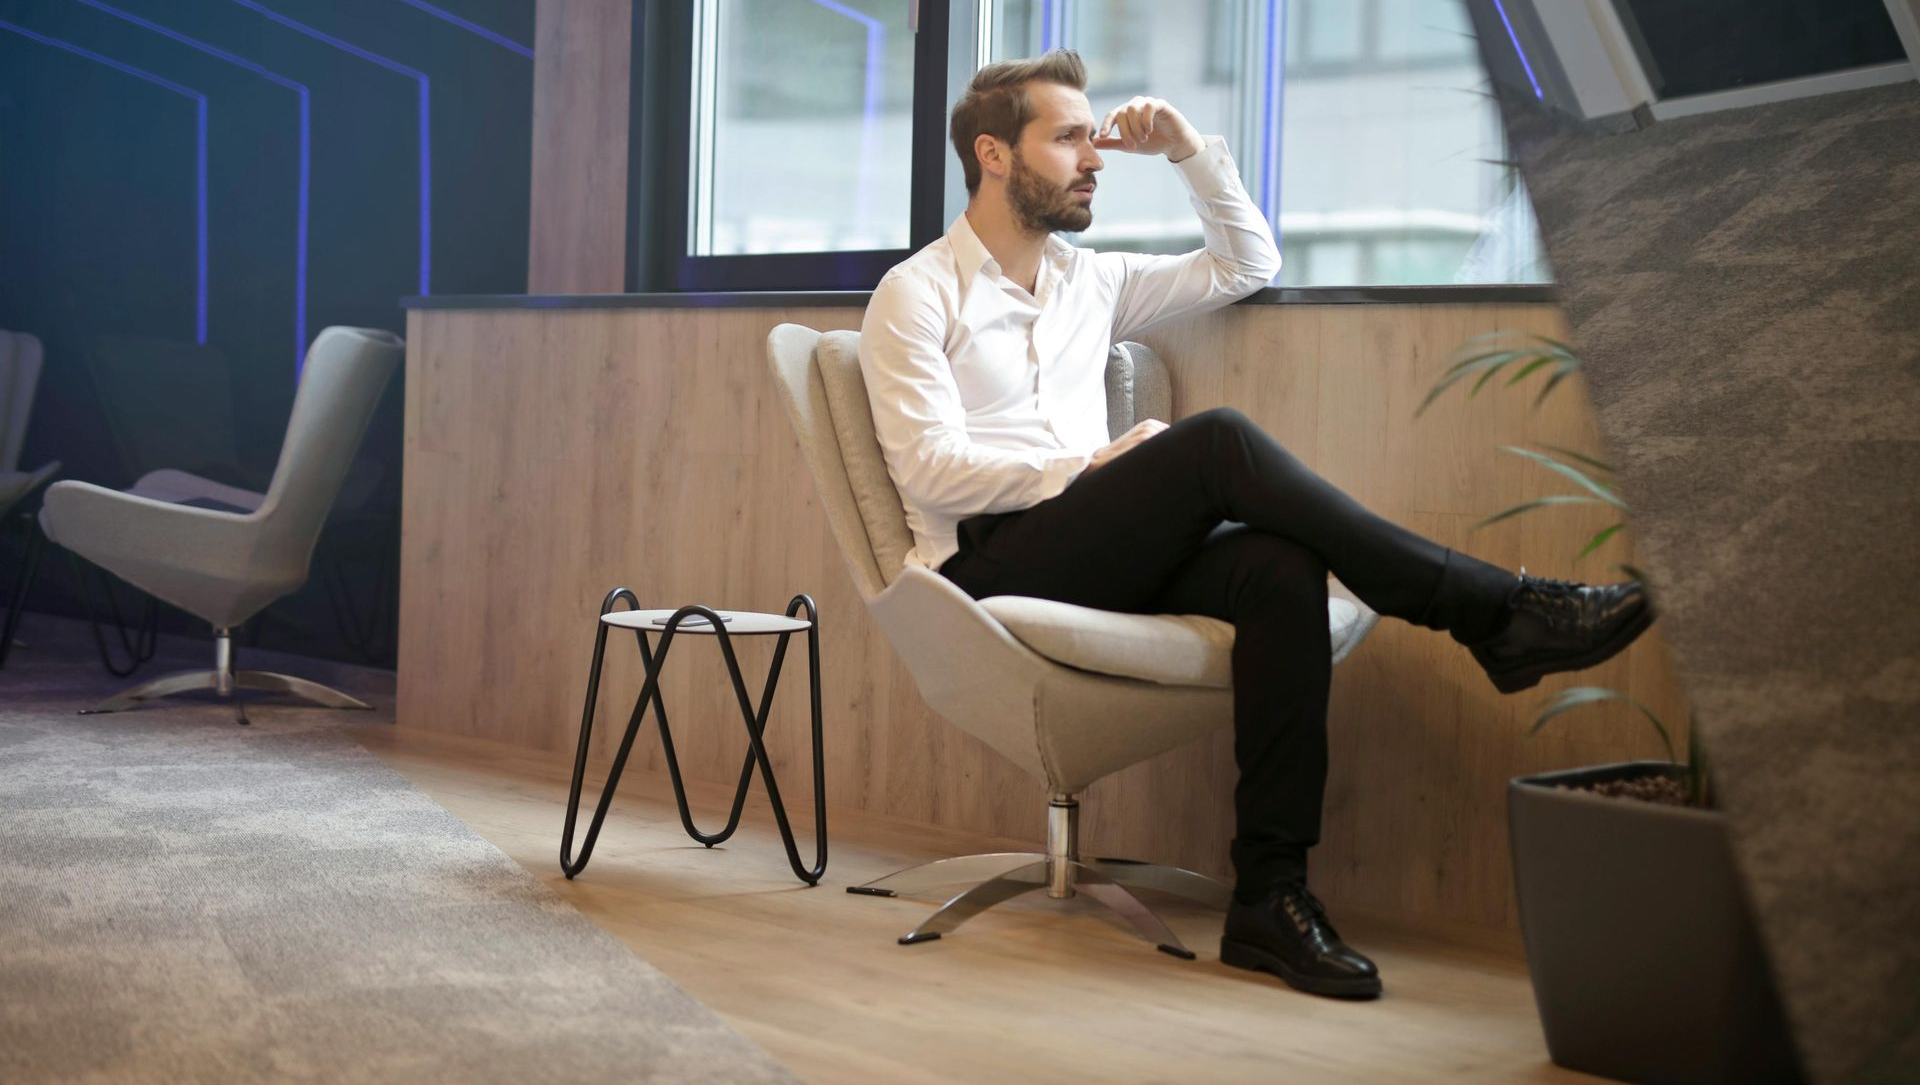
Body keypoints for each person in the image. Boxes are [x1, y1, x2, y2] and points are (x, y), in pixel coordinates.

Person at [857, 50, 1652, 1001]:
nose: (1094, 156)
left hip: (1089, 549)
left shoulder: (1092, 281)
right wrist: (1090, 465)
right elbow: (930, 472)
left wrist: (1191, 151)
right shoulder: (916, 292)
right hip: (989, 563)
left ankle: (1269, 899)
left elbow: (1249, 262)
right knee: (1218, 442)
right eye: (1068, 137)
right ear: (993, 153)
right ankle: (1494, 609)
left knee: (1277, 566)